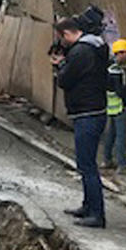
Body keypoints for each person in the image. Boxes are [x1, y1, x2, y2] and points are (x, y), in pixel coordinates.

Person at [50, 16, 109, 229]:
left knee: (87, 165)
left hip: (87, 113)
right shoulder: (95, 47)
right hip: (93, 111)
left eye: (61, 38)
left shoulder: (80, 52)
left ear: (66, 34)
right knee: (85, 164)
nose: (62, 43)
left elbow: (65, 80)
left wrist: (60, 65)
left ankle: (97, 214)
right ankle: (88, 205)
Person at [102, 38, 126, 172]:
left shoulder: (107, 67)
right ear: (120, 53)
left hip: (111, 107)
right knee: (120, 136)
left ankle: (107, 160)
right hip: (120, 107)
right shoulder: (116, 71)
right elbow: (119, 91)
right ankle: (122, 164)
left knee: (110, 135)